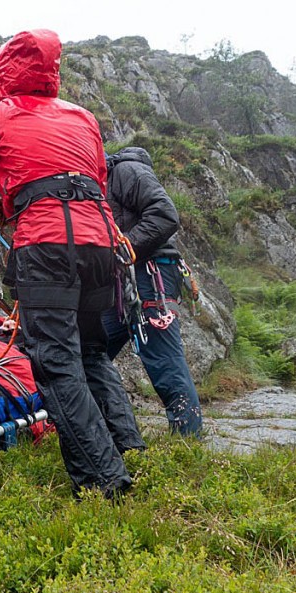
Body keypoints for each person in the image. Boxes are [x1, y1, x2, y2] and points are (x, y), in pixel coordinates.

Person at [0, 29, 143, 499]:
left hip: (46, 244)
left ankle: (106, 480)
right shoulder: (83, 117)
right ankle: (130, 447)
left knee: (56, 364)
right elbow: (97, 177)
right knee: (92, 351)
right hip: (100, 243)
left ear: (6, 70)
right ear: (52, 70)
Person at [102, 147, 203, 436]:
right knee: (90, 353)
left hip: (148, 273)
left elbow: (164, 214)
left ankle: (188, 442)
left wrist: (121, 250)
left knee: (163, 359)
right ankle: (97, 429)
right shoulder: (101, 181)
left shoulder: (126, 171)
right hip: (121, 280)